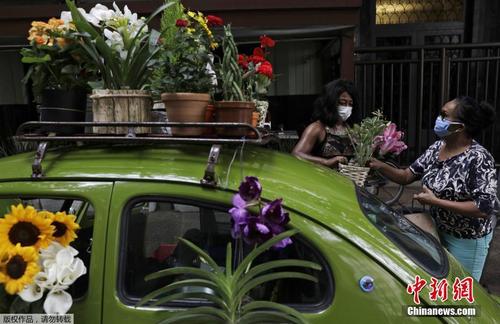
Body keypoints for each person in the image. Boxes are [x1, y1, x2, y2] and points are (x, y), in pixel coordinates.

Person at [370, 96, 498, 281]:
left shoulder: (479, 159)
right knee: (439, 288)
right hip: (437, 231)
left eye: (444, 115)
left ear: (459, 127)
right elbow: (407, 175)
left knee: (460, 295)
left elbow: (483, 208)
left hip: (467, 239)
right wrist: (379, 165)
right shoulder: (438, 147)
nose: (438, 119)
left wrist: (435, 201)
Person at [292, 79, 359, 168]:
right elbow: (296, 154)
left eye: (350, 104)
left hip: (351, 180)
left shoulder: (352, 129)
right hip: (324, 179)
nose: (347, 108)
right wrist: (326, 162)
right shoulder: (317, 128)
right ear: (331, 102)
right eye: (342, 103)